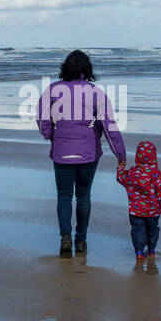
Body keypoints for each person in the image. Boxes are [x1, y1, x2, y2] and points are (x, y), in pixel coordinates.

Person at [36, 50, 127, 257]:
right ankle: (82, 240)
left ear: (65, 68)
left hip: (62, 152)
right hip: (89, 153)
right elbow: (109, 126)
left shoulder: (51, 90)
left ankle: (65, 237)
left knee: (64, 196)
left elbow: (43, 121)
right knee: (84, 195)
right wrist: (120, 154)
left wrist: (52, 136)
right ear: (87, 70)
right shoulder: (96, 93)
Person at [115, 140, 161, 261]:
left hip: (136, 211)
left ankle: (140, 252)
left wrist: (120, 167)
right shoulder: (155, 173)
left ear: (137, 156)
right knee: (153, 230)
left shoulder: (132, 172)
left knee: (138, 230)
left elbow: (121, 178)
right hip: (153, 211)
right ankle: (151, 250)